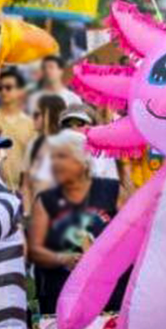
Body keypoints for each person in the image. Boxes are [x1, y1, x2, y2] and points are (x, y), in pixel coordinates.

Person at [28, 130, 118, 316]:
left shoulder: (111, 190)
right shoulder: (46, 200)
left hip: (109, 296)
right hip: (61, 296)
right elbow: (34, 250)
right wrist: (62, 259)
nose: (54, 163)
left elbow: (133, 235)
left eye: (62, 157)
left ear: (83, 159)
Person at [21, 94, 66, 215]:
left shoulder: (68, 145)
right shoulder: (33, 144)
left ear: (50, 115)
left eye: (37, 115)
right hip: (37, 220)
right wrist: (27, 213)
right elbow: (25, 185)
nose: (32, 119)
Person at [0, 67, 36, 190]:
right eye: (0, 88)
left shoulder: (31, 124)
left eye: (8, 87)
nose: (3, 91)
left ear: (20, 91)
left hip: (23, 190)